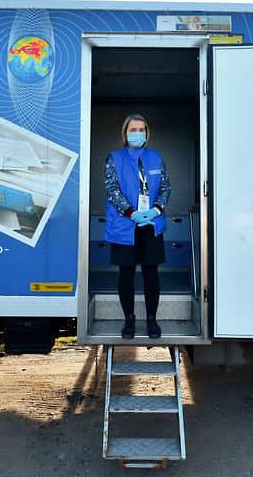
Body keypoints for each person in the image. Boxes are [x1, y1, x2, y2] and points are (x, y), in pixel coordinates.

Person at [104, 114, 170, 339]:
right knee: (126, 273)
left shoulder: (155, 157)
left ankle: (152, 320)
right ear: (125, 133)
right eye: (133, 129)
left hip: (151, 225)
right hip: (125, 226)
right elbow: (112, 189)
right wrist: (132, 214)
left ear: (146, 133)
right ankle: (129, 320)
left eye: (142, 129)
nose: (138, 133)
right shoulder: (114, 158)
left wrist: (156, 210)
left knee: (151, 273)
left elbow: (165, 187)